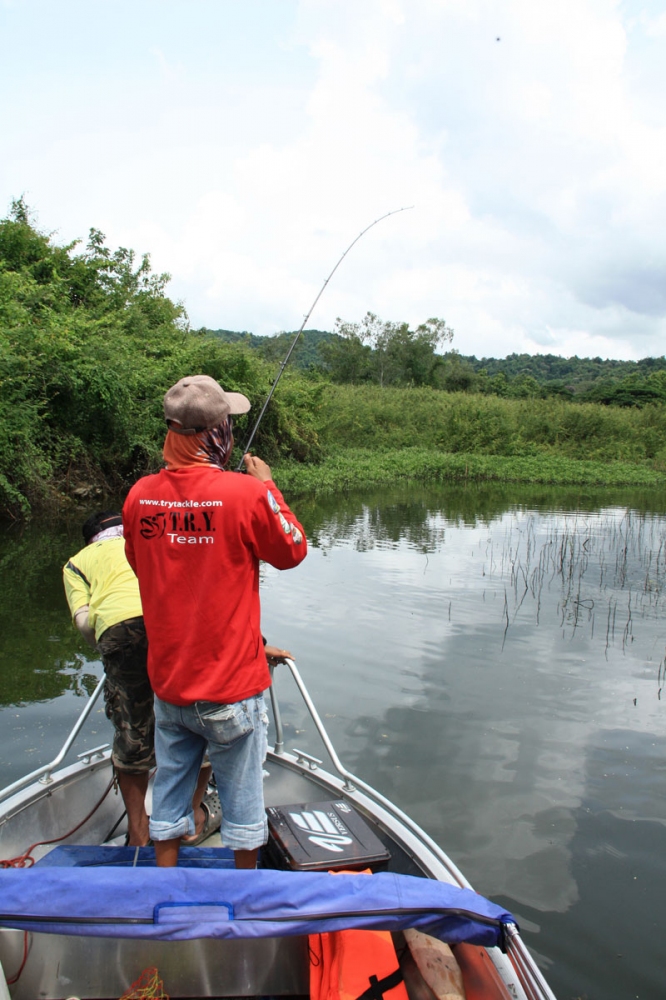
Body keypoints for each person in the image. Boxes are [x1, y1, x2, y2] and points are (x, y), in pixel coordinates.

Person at [123, 374, 308, 869]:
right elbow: (292, 549)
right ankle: (242, 896)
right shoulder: (246, 495)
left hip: (170, 686)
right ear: (215, 432)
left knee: (169, 791)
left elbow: (142, 565)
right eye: (227, 422)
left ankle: (163, 888)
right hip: (230, 688)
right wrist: (266, 486)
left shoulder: (140, 496)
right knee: (244, 803)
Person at [63, 512, 213, 846]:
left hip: (120, 631)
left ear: (90, 540)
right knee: (197, 719)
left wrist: (111, 645)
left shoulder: (76, 564)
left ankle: (139, 831)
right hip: (175, 622)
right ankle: (191, 817)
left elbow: (86, 623)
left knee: (132, 731)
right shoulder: (151, 537)